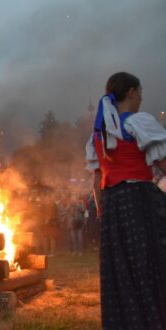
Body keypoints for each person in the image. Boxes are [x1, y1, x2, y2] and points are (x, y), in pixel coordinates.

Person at [86, 72, 166, 327]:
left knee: (121, 271)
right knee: (149, 264)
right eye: (140, 92)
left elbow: (97, 180)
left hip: (112, 207)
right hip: (139, 202)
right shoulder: (139, 122)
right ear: (131, 92)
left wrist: (102, 213)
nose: (141, 98)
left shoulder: (99, 134)